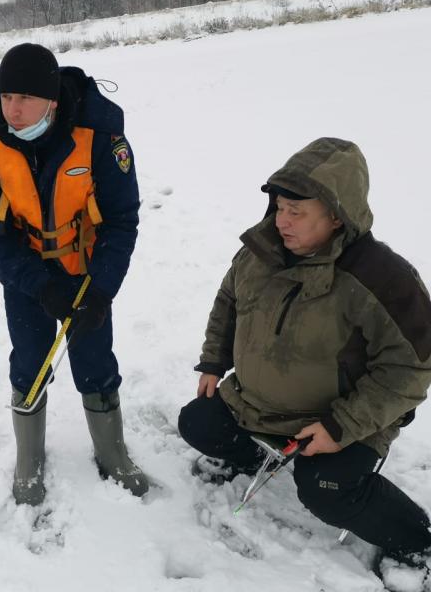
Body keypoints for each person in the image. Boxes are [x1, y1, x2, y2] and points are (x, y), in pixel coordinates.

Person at [178, 137, 431, 574]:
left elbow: (412, 366)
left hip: (338, 419)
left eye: (297, 213)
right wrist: (213, 361)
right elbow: (228, 302)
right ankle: (254, 457)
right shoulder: (259, 252)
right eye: (279, 207)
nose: (282, 222)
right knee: (197, 422)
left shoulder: (382, 277)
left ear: (336, 216)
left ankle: (416, 541)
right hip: (259, 404)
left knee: (326, 489)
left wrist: (342, 425)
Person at [0, 43, 148, 506]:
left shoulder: (100, 137)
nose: (13, 110)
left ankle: (112, 453)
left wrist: (101, 291)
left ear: (52, 101)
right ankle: (29, 458)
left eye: (24, 98)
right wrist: (37, 285)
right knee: (29, 359)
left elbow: (121, 220)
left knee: (95, 360)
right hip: (26, 273)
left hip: (85, 271)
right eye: (5, 98)